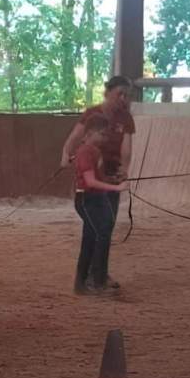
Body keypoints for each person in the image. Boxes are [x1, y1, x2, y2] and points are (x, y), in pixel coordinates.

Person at [61, 75, 135, 286]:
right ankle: (93, 276)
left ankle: (96, 273)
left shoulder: (126, 117)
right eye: (119, 93)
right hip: (94, 177)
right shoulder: (92, 115)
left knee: (105, 226)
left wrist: (124, 169)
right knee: (98, 228)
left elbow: (126, 147)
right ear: (107, 92)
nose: (123, 98)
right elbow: (75, 136)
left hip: (111, 175)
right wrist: (65, 153)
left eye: (126, 95)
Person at [73, 114, 128, 296]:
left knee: (92, 237)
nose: (105, 138)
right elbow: (90, 182)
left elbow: (98, 178)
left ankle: (83, 282)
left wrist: (113, 179)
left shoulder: (95, 152)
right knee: (101, 235)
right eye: (102, 134)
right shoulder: (85, 153)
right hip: (87, 199)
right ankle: (97, 281)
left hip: (95, 199)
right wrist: (116, 187)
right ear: (91, 132)